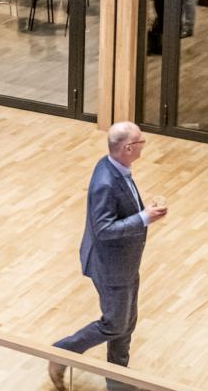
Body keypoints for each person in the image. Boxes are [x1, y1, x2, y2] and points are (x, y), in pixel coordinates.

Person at [48, 122, 168, 390]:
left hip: (125, 263)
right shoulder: (105, 182)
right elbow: (103, 229)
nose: (144, 144)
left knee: (127, 324)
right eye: (140, 141)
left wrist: (143, 214)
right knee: (115, 325)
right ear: (128, 148)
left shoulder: (113, 166)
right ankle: (62, 352)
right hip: (111, 266)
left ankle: (118, 383)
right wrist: (143, 218)